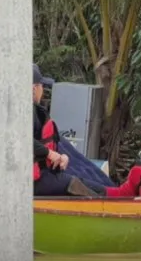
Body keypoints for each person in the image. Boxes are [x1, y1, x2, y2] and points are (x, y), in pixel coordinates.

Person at [32, 64, 106, 196]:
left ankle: (113, 196)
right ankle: (107, 211)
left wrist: (61, 156)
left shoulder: (38, 112)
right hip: (30, 181)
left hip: (45, 173)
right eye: (42, 86)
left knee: (95, 186)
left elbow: (47, 142)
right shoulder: (21, 113)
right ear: (34, 88)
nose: (42, 90)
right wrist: (49, 153)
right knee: (75, 185)